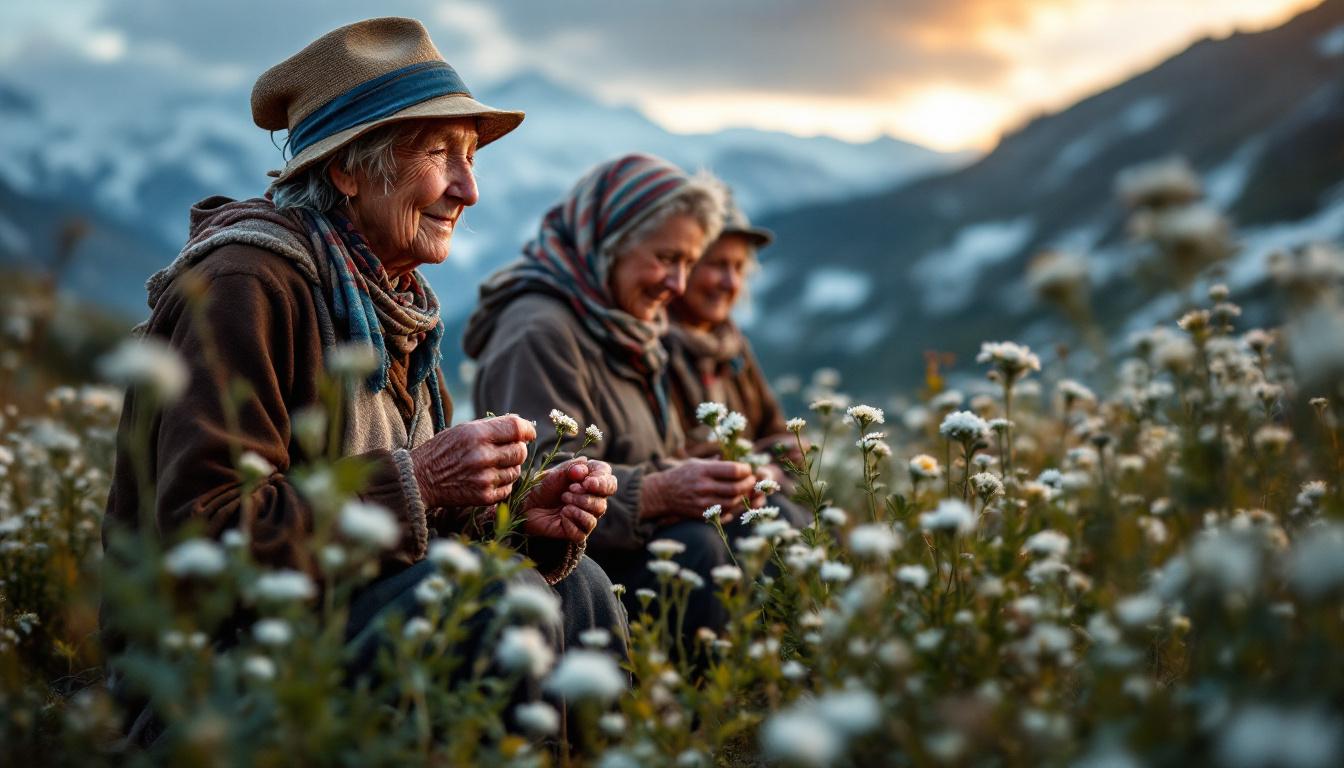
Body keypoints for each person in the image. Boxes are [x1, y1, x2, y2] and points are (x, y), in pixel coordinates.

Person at [101, 17, 626, 742]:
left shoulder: (392, 303)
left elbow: (404, 532)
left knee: (584, 594)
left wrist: (515, 521)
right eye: (441, 153)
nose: (467, 190)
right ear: (348, 170)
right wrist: (420, 480)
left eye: (470, 157)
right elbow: (206, 546)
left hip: (335, 620)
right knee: (494, 602)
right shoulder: (244, 287)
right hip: (214, 677)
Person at [464, 154, 768, 642]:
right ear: (608, 246)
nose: (679, 285)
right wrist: (661, 492)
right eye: (667, 259)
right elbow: (533, 487)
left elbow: (645, 453)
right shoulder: (540, 332)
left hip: (629, 553)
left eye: (689, 263)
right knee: (700, 548)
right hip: (570, 575)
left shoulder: (630, 329)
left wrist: (716, 475)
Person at [664, 195, 807, 522]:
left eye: (739, 267)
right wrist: (755, 464)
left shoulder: (732, 345)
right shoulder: (652, 347)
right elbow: (670, 456)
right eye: (716, 264)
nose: (730, 282)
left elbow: (776, 429)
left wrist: (787, 452)